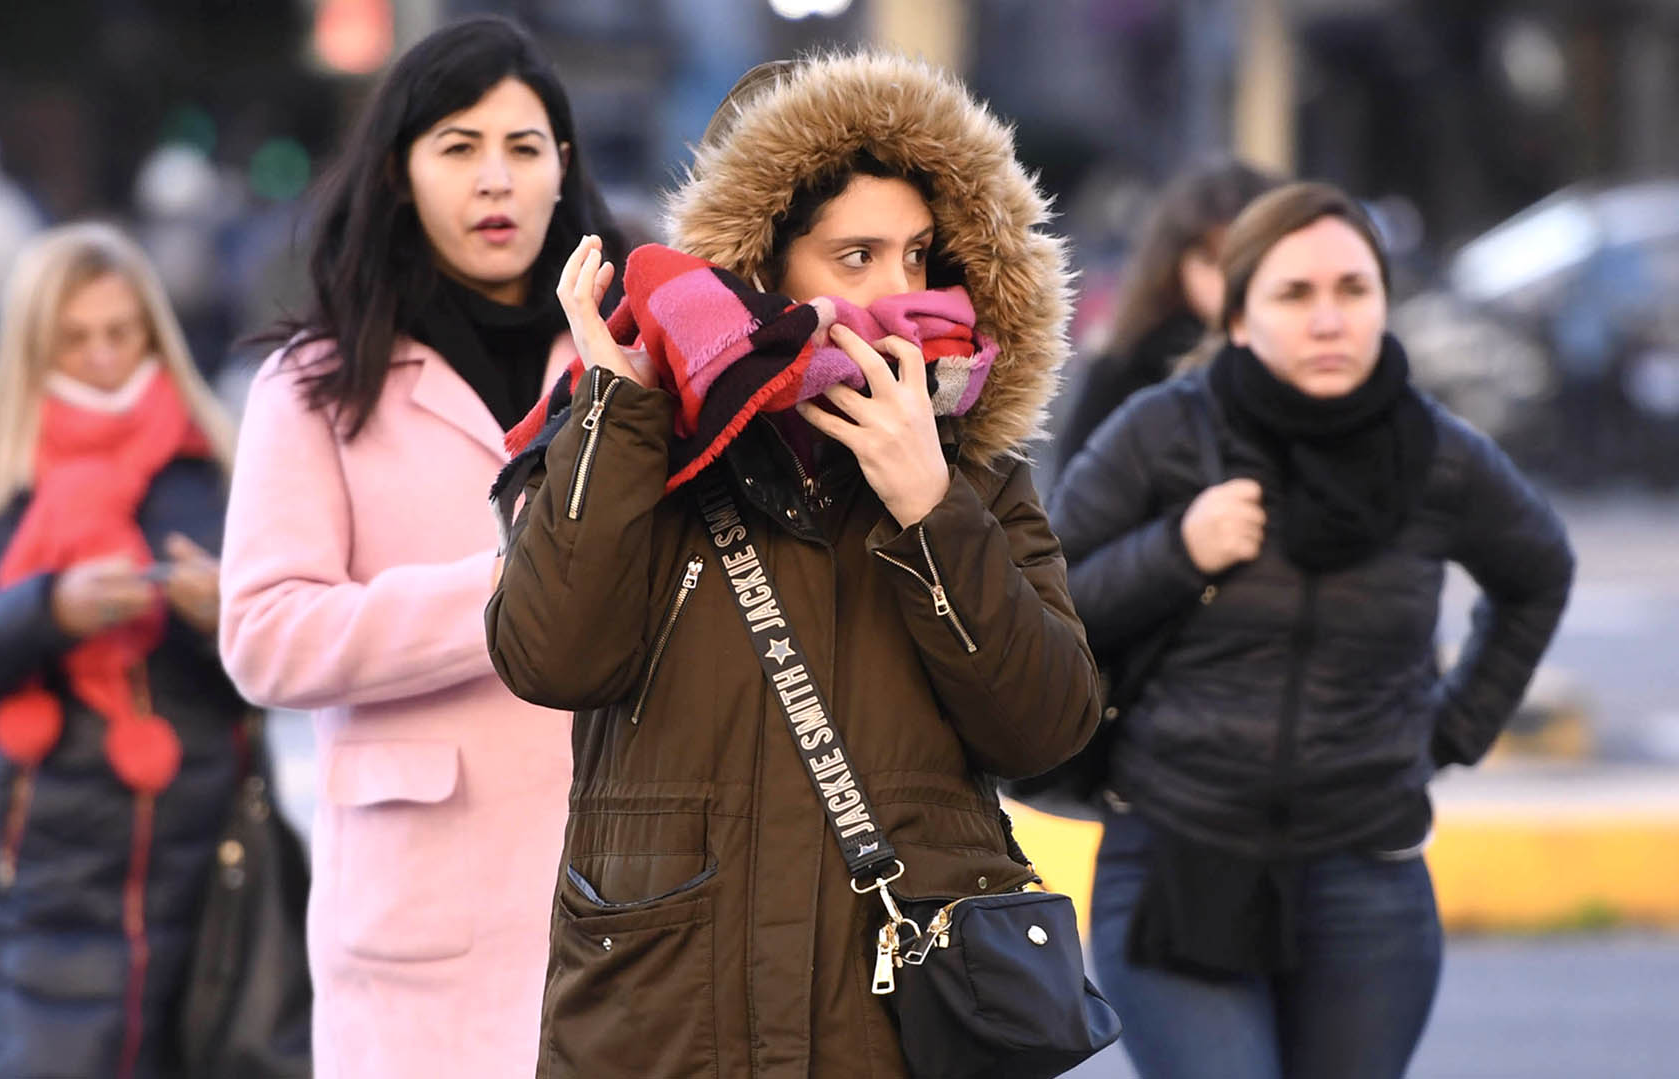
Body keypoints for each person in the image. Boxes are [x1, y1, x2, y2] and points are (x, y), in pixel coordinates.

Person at [486, 52, 1100, 1077]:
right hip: (668, 1022)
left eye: (919, 256)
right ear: (759, 269)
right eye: (855, 256)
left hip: (891, 1025)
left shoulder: (973, 470)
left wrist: (930, 509)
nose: (900, 293)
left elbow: (1047, 726)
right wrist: (621, 415)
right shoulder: (638, 435)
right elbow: (549, 656)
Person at [1049, 182, 1575, 1079]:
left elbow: (1538, 572)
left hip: (1366, 873)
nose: (1329, 319)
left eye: (1353, 289)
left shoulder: (1438, 454)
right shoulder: (1163, 431)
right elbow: (1044, 606)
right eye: (1295, 294)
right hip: (1177, 856)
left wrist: (1451, 731)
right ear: (1239, 318)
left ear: (1383, 302)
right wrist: (1176, 551)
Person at [217, 16, 624, 1078]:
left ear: (562, 167)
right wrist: (507, 594)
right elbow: (264, 635)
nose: (496, 179)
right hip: (422, 912)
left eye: (524, 147)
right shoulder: (313, 384)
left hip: (628, 886)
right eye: (458, 147)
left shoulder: (632, 363)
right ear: (400, 172)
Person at [0, 223, 260, 1078]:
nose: (103, 357)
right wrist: (44, 610)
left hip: (207, 861)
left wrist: (225, 616)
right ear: (31, 344)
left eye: (122, 332)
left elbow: (292, 669)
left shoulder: (224, 465)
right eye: (74, 337)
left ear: (155, 332)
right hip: (37, 874)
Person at [1054, 159, 1280, 471]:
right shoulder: (1125, 370)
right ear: (1174, 264)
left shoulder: (1305, 359)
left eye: (1245, 261)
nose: (1229, 281)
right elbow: (1074, 490)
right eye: (1212, 261)